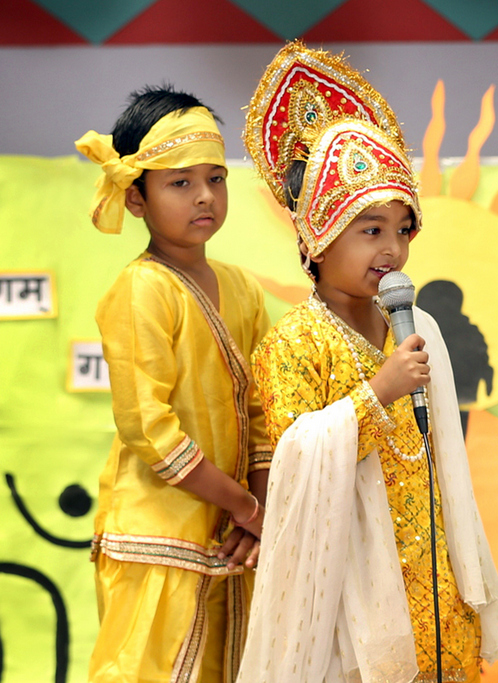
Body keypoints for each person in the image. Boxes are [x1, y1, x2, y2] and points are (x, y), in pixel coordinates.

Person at [236, 42, 498, 683]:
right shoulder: (294, 344)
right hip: (347, 595)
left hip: (436, 586)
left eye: (403, 229)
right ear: (318, 235)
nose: (392, 249)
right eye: (370, 229)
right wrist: (376, 395)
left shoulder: (419, 329)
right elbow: (294, 470)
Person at [76, 86, 272, 682]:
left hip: (235, 538)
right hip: (157, 537)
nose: (205, 196)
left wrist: (259, 510)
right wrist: (246, 507)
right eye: (180, 183)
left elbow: (267, 410)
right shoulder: (142, 289)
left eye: (216, 178)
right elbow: (150, 430)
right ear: (135, 199)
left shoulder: (242, 289)